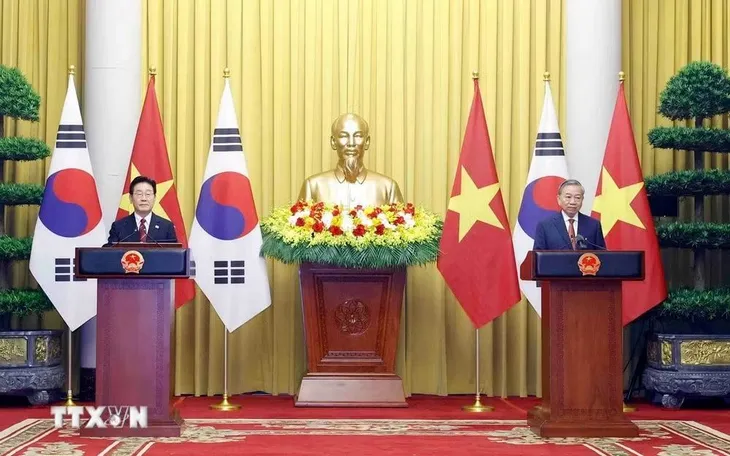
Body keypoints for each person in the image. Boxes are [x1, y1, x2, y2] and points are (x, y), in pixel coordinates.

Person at [298, 113, 404, 208]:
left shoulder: (387, 187)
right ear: (333, 142)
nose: (351, 143)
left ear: (367, 142)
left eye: (358, 136)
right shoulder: (313, 186)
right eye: (344, 136)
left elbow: (400, 222)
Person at [533, 179, 606, 250]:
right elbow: (538, 255)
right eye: (568, 197)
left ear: (582, 200)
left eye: (577, 197)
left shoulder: (594, 225)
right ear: (559, 199)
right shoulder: (545, 226)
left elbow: (602, 255)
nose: (572, 202)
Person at [105, 175, 178, 245]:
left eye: (148, 194)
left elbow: (174, 252)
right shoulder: (118, 227)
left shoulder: (167, 227)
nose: (144, 198)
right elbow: (110, 251)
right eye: (139, 194)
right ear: (131, 198)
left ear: (154, 198)